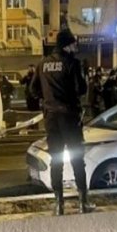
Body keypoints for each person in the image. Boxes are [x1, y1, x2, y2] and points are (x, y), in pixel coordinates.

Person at [30, 28, 94, 215]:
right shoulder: (72, 63)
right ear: (67, 45)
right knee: (76, 159)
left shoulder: (43, 64)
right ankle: (83, 202)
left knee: (56, 160)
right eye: (73, 43)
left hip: (51, 118)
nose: (75, 46)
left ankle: (59, 204)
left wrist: (48, 99)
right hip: (69, 117)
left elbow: (33, 90)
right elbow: (80, 89)